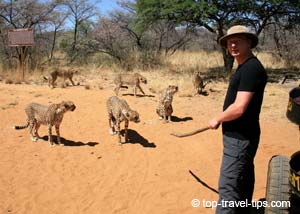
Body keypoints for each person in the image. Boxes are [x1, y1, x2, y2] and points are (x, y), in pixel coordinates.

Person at [209, 25, 268, 214]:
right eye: (229, 42)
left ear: (248, 42)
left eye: (237, 41)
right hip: (243, 136)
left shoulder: (251, 68)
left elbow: (239, 107)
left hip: (240, 138)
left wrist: (217, 118)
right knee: (242, 180)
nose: (232, 45)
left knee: (228, 187)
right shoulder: (245, 66)